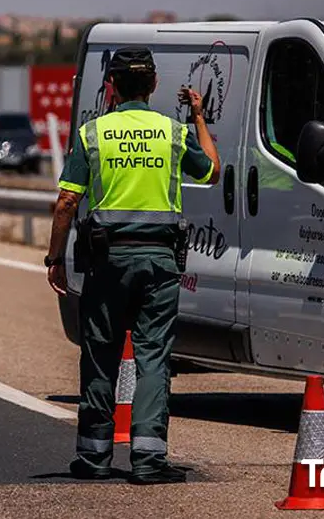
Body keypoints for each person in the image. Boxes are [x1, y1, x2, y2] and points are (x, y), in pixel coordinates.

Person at [44, 47, 221, 485]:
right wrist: (198, 117)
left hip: (107, 262)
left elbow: (67, 200)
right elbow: (212, 171)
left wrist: (55, 258)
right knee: (153, 358)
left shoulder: (93, 134)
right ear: (155, 85)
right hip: (159, 263)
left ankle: (94, 458)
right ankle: (148, 461)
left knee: (100, 356)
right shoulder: (173, 133)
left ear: (111, 86)